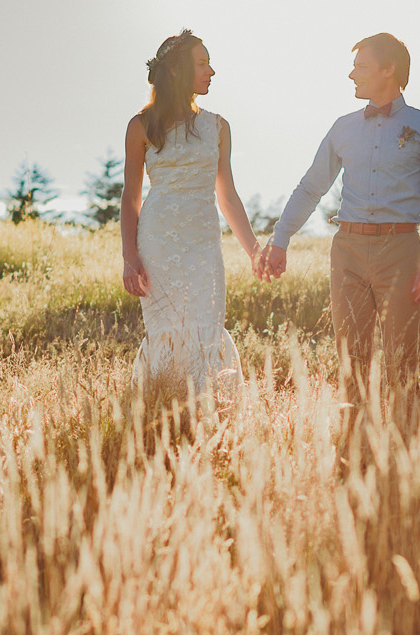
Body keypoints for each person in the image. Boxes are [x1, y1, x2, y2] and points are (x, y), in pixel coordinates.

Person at [258, 33, 420, 393]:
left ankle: (401, 445)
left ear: (389, 69)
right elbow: (311, 187)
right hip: (347, 251)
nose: (351, 75)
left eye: (360, 66)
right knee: (351, 363)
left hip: (401, 252)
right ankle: (353, 444)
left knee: (401, 363)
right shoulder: (342, 127)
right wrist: (280, 239)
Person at [121, 30, 260, 396]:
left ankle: (209, 415)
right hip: (157, 243)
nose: (211, 71)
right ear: (177, 71)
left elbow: (227, 195)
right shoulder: (141, 126)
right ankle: (161, 411)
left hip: (203, 243)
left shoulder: (217, 127)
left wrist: (254, 251)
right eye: (202, 64)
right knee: (165, 329)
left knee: (205, 325)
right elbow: (130, 197)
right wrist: (129, 256)